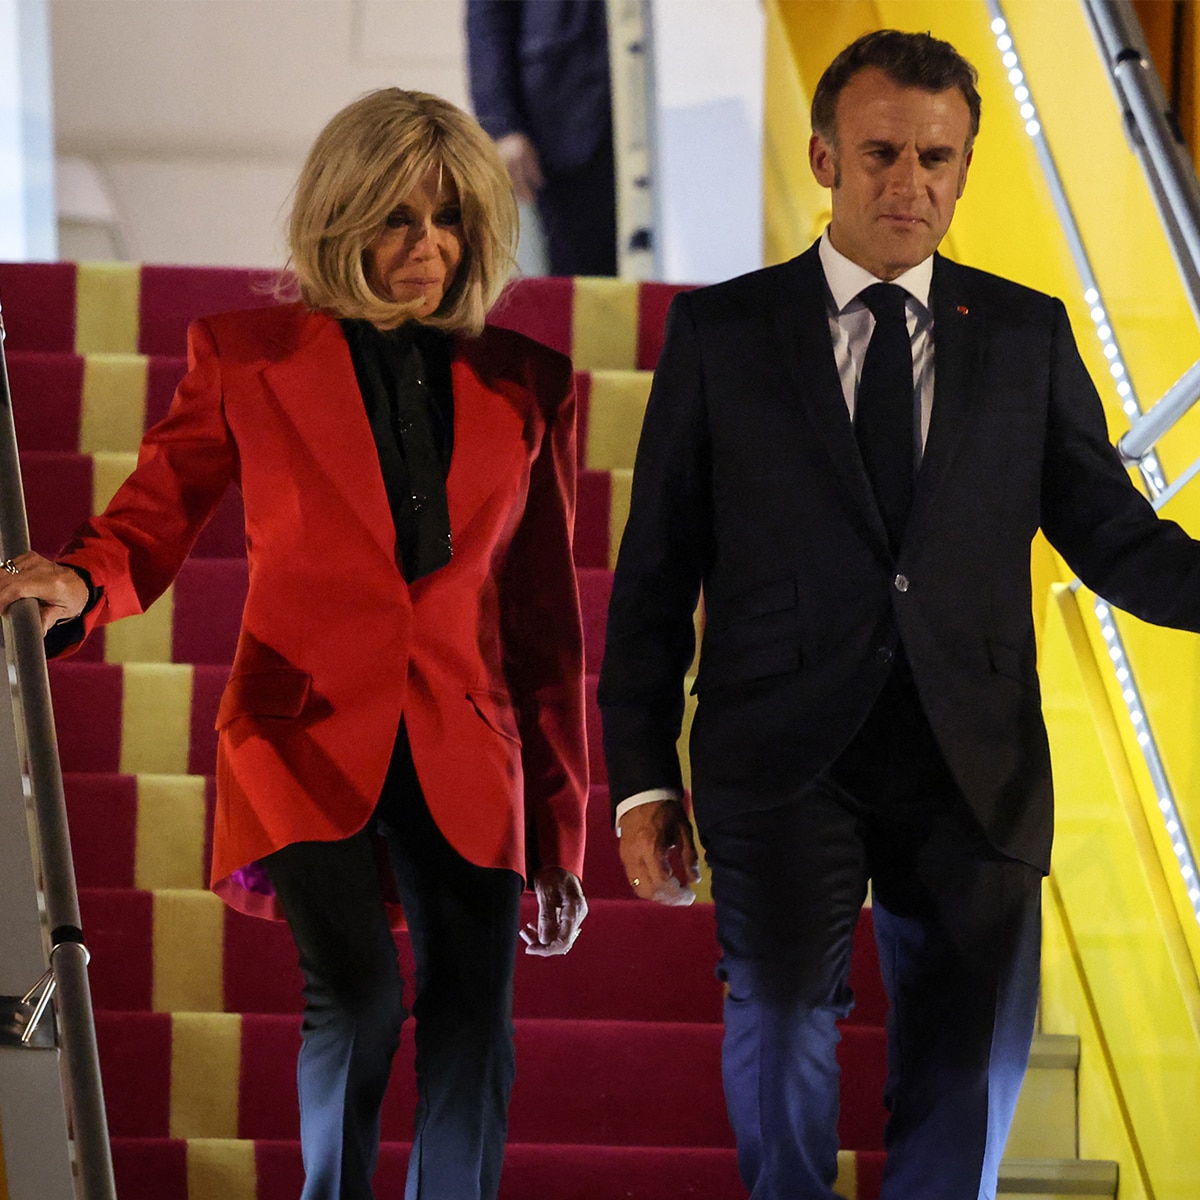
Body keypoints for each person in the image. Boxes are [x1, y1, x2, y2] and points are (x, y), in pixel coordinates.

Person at [598, 28, 1200, 1200]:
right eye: (881, 153)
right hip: (780, 751)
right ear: (824, 157)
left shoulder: (1023, 338)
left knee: (971, 1067)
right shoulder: (722, 336)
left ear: (965, 164)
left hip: (972, 756)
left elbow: (1113, 534)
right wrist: (642, 779)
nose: (909, 183)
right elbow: (656, 577)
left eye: (937, 157)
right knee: (778, 1029)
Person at [0, 88, 589, 1200]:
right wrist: (80, 579)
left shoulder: (529, 382)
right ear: (343, 219)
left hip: (468, 743)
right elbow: (156, 513)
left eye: (449, 219)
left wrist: (560, 825)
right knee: (357, 995)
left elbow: (547, 626)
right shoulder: (246, 355)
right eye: (398, 220)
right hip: (300, 732)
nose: (427, 246)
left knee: (475, 1014)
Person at [466, 0, 617, 276]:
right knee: (577, 287)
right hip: (562, 123)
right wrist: (502, 125)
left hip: (675, 115)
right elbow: (488, 14)